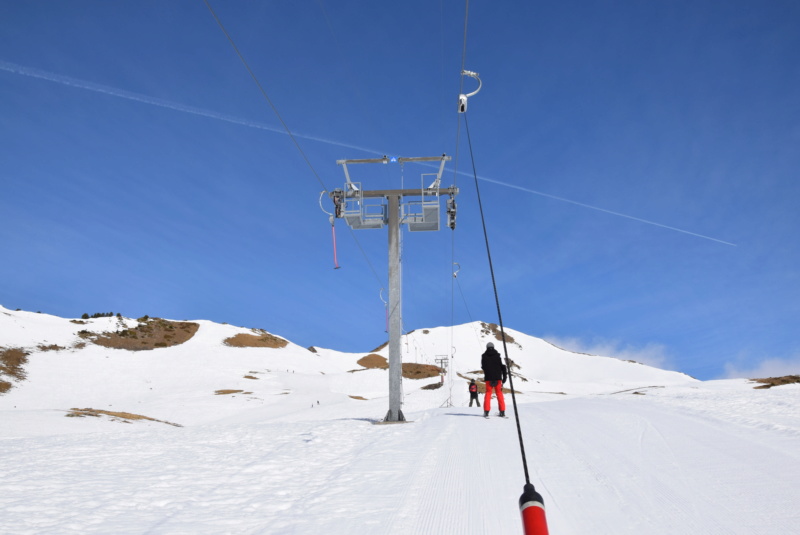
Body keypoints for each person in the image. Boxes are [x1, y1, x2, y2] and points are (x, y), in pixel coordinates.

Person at [481, 342, 507, 417]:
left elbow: (483, 366)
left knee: (488, 393)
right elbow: (501, 366)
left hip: (488, 378)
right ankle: (502, 412)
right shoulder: (497, 355)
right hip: (498, 378)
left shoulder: (483, 356)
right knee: (499, 393)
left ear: (487, 347)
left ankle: (486, 412)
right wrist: (504, 377)